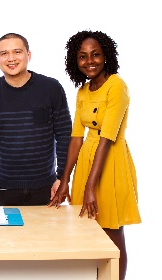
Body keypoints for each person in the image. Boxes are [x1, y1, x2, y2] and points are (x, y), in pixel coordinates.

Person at [47, 30, 142, 280]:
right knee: (85, 228)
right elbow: (76, 137)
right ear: (75, 61)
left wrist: (92, 186)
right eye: (82, 56)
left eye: (95, 55)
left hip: (110, 161)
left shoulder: (117, 86)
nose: (89, 61)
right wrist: (64, 180)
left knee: (111, 232)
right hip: (87, 159)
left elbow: (107, 137)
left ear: (106, 56)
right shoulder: (82, 92)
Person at [0, 33, 72, 206]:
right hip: (4, 189)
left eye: (17, 52)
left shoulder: (51, 88)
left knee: (45, 234)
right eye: (4, 53)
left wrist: (62, 177)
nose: (11, 58)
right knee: (6, 234)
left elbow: (64, 135)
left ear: (29, 55)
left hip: (47, 187)